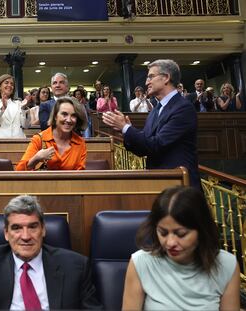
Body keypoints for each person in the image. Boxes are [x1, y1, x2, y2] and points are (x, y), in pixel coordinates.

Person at [0, 195, 102, 310]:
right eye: (16, 228)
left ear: (43, 230)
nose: (25, 236)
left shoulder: (75, 266)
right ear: (6, 233)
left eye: (32, 227)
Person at [122, 186, 239, 310]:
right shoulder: (141, 263)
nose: (170, 242)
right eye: (163, 233)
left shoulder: (226, 265)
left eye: (181, 234)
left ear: (201, 230)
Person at [102, 59, 201, 189]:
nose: (146, 82)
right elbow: (145, 148)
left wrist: (126, 128)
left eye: (151, 77)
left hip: (181, 187)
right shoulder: (155, 110)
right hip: (159, 183)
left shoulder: (183, 108)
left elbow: (157, 144)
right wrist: (125, 131)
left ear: (166, 78)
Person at [16, 97, 87, 171]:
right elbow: (19, 171)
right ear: (55, 116)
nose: (69, 120)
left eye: (73, 115)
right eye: (64, 114)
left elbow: (80, 176)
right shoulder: (39, 139)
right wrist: (36, 158)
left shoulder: (80, 143)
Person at [0, 74, 30, 138]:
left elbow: (26, 126)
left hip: (18, 141)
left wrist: (24, 109)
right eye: (6, 83)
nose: (9, 85)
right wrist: (2, 109)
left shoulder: (19, 104)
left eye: (12, 84)